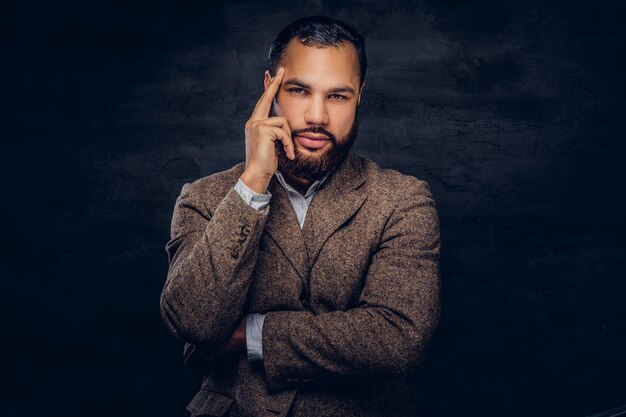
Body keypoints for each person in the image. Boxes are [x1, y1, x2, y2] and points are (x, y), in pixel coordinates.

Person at [160, 15, 441, 417]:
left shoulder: (402, 198)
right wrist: (254, 181)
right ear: (269, 88)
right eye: (299, 90)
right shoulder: (206, 197)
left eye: (338, 96)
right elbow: (194, 322)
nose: (317, 116)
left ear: (359, 96)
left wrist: (250, 334)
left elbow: (399, 337)